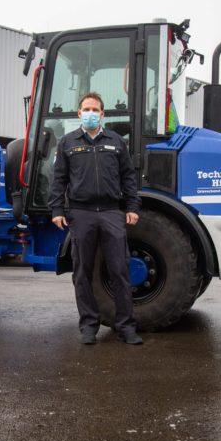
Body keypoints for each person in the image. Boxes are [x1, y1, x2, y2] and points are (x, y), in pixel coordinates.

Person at [49, 92, 143, 345]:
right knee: (82, 272)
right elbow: (59, 179)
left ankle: (125, 326)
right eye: (86, 109)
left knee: (120, 270)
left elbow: (129, 177)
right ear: (79, 113)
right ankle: (89, 326)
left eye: (95, 109)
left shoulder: (116, 142)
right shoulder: (68, 143)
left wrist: (132, 206)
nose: (91, 113)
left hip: (112, 212)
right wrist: (57, 210)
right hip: (81, 214)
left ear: (102, 114)